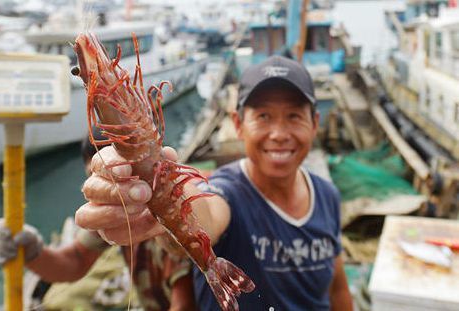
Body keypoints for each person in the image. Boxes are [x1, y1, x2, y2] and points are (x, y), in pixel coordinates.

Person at [75, 55, 353, 310]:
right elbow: (206, 214)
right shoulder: (227, 189)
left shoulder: (327, 194)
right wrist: (146, 183)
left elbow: (338, 290)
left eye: (294, 116)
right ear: (239, 124)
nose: (279, 134)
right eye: (264, 116)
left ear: (315, 123)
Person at [0, 128, 196, 311]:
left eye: (113, 173)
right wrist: (31, 252)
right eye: (96, 176)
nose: (109, 185)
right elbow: (75, 261)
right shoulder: (116, 213)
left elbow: (185, 304)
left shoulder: (173, 211)